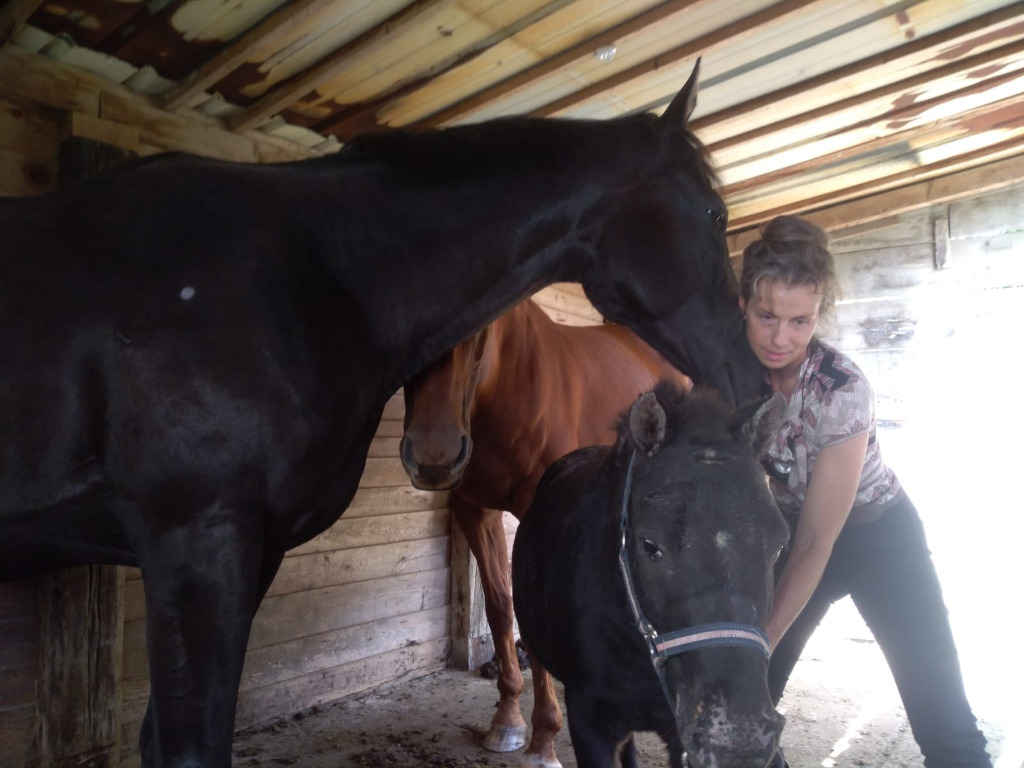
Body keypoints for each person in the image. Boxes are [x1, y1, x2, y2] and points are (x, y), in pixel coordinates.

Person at [738, 216, 991, 768]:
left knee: (944, 720)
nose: (781, 338)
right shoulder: (730, 375)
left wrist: (762, 639)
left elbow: (816, 544)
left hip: (880, 539)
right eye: (766, 317)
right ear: (743, 306)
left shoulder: (843, 389)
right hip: (791, 533)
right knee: (744, 704)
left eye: (800, 321)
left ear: (819, 313)